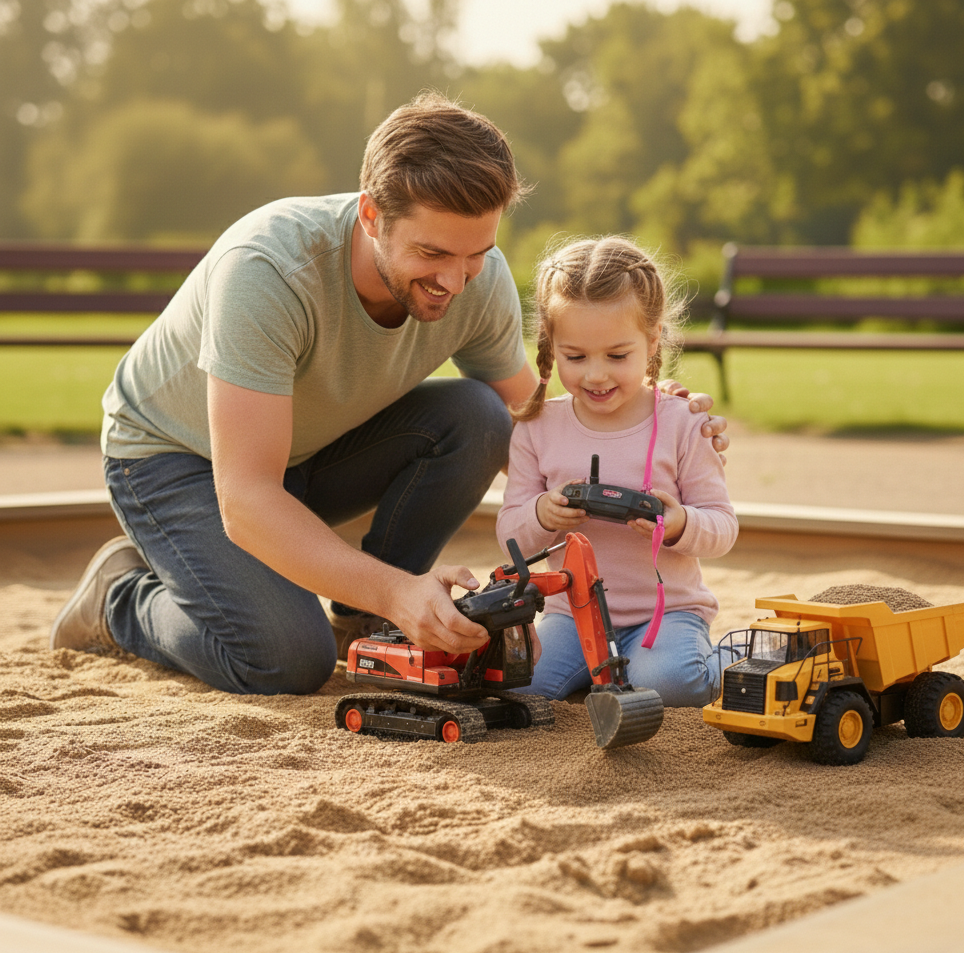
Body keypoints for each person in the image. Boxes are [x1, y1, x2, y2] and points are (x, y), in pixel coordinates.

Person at [50, 94, 729, 697]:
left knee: (477, 416)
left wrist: (645, 411)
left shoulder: (474, 276)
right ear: (373, 216)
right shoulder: (266, 272)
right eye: (433, 254)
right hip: (177, 463)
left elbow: (531, 422)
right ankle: (121, 598)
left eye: (477, 253)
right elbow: (247, 499)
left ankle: (368, 615)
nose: (456, 280)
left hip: (308, 454)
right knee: (285, 660)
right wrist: (402, 589)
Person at [497, 237, 738, 707]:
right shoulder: (537, 427)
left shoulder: (683, 422)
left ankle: (738, 656)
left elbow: (723, 527)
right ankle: (608, 673)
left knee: (668, 684)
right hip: (572, 615)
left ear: (652, 342)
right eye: (576, 356)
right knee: (522, 686)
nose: (596, 375)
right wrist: (543, 515)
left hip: (666, 613)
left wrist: (681, 523)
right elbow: (510, 534)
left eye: (617, 355)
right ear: (550, 345)